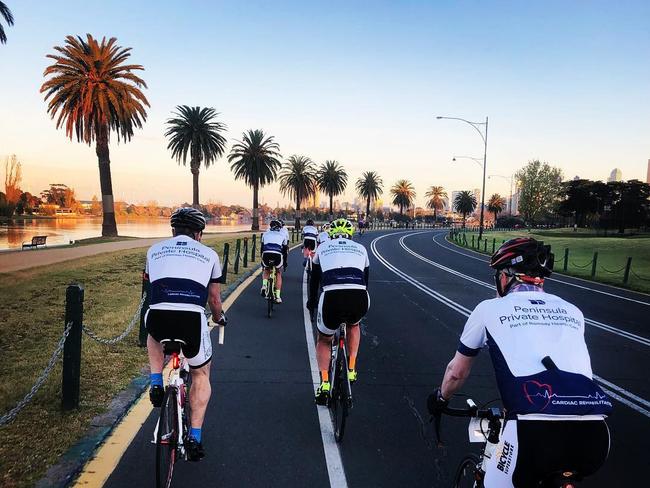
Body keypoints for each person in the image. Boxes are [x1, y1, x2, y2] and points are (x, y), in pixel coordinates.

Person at [428, 237, 612, 487]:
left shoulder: (488, 309)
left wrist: (441, 399)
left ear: (505, 277)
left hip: (533, 436)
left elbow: (456, 373)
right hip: (595, 437)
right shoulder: (573, 311)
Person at [144, 207, 227, 461]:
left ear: (173, 231)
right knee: (201, 373)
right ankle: (195, 436)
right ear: (199, 233)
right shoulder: (210, 254)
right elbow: (214, 299)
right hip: (191, 319)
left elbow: (148, 288)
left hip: (158, 316)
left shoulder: (153, 250)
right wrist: (219, 317)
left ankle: (156, 381)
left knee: (153, 332)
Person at [307, 218, 370, 405]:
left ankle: (325, 384)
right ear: (350, 234)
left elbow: (314, 281)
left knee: (324, 340)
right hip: (358, 296)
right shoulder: (361, 249)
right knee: (354, 324)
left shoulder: (323, 248)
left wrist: (312, 303)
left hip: (332, 298)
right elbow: (365, 280)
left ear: (331, 234)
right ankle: (351, 368)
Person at [261, 219, 288, 303]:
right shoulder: (283, 234)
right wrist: (284, 263)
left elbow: (262, 248)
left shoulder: (265, 234)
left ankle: (264, 285)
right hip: (277, 255)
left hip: (266, 254)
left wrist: (262, 263)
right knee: (279, 273)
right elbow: (285, 251)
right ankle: (278, 296)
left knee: (266, 269)